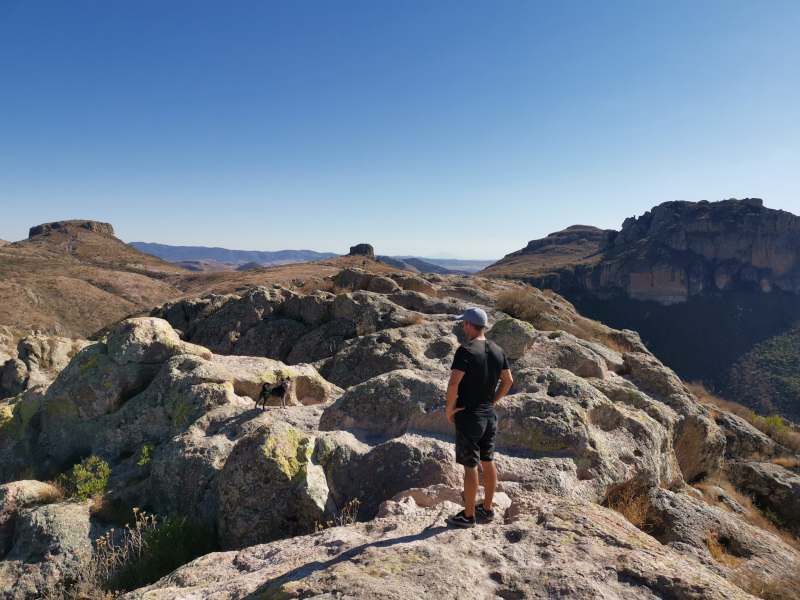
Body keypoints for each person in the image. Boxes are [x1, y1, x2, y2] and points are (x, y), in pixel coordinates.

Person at [445, 307, 513, 528]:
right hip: (489, 416)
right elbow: (508, 380)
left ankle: (468, 515)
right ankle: (488, 508)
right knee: (488, 459)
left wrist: (449, 409)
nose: (462, 327)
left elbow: (453, 383)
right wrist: (493, 401)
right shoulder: (497, 349)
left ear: (467, 325)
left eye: (463, 323)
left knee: (470, 465)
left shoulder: (465, 350)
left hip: (469, 416)